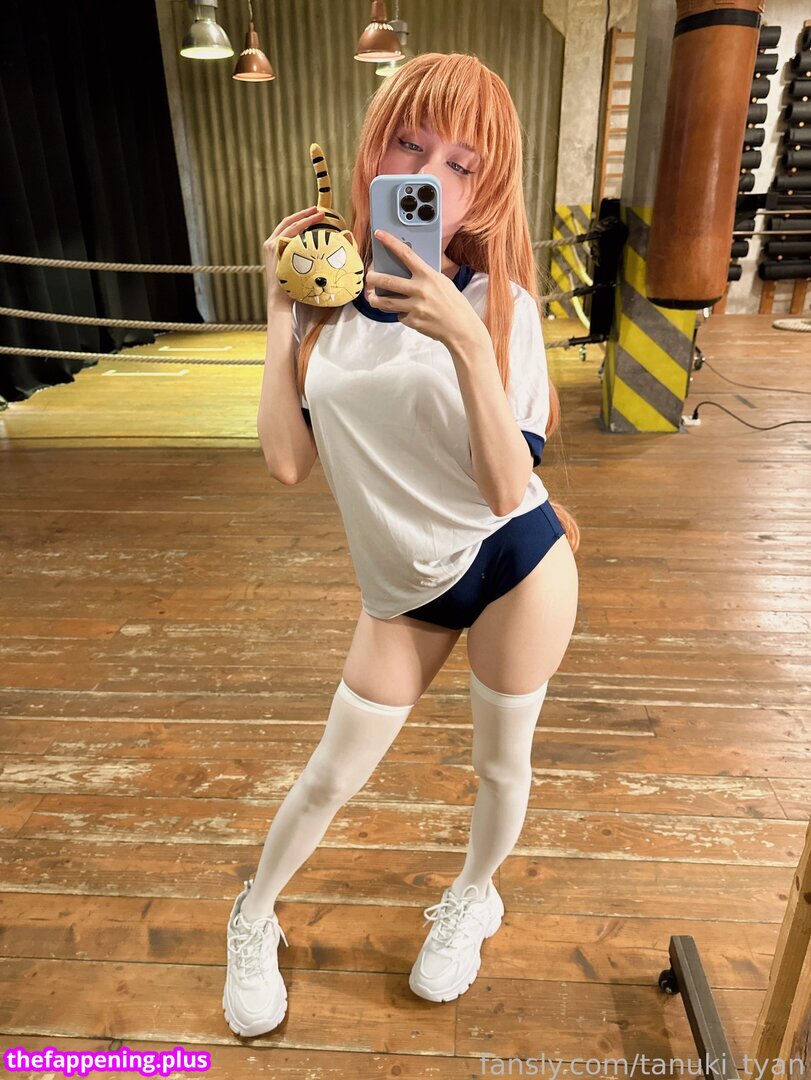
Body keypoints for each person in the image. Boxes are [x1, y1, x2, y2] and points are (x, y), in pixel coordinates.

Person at [223, 51, 580, 1038]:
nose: (427, 176)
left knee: (501, 765)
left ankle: (473, 895)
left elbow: (506, 486)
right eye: (409, 146)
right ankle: (253, 914)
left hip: (515, 562)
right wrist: (281, 311)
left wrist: (463, 336)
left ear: (485, 189)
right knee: (331, 774)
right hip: (402, 586)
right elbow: (287, 463)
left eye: (461, 164)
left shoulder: (502, 304)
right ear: (372, 152)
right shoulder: (325, 303)